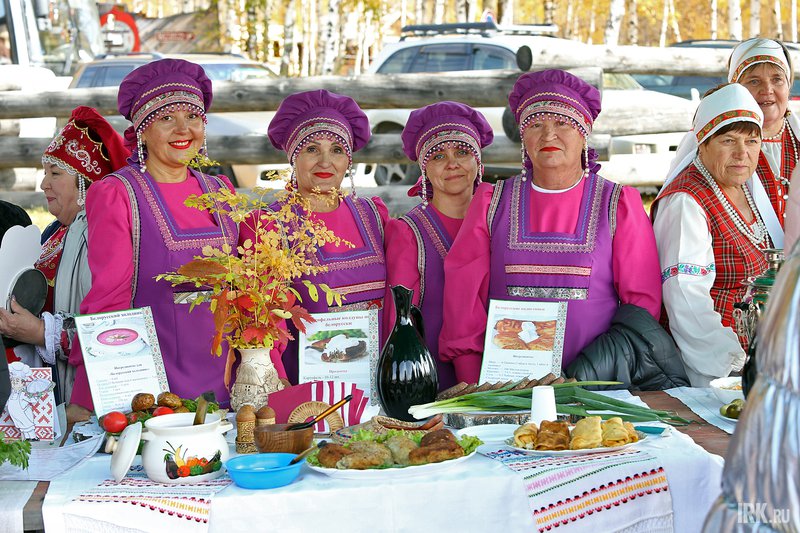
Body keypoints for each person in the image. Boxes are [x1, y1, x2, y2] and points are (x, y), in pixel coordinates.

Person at [439, 69, 662, 384]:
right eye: (535, 124)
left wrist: (600, 371)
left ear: (584, 132)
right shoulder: (491, 203)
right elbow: (464, 301)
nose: (548, 136)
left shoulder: (616, 204)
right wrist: (476, 382)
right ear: (523, 137)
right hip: (505, 388)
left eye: (562, 123)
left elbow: (641, 306)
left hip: (596, 385)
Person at [70, 59, 239, 409]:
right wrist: (98, 396)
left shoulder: (221, 191)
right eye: (166, 118)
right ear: (141, 130)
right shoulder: (118, 194)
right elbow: (109, 301)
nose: (183, 129)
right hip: (156, 389)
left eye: (192, 116)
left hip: (231, 381)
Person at [242, 89, 387, 385]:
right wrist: (279, 387)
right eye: (311, 149)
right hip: (306, 388)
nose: (325, 162)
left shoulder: (375, 216)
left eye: (337, 150)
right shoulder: (267, 225)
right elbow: (264, 321)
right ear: (293, 156)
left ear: (349, 159)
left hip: (378, 381)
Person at [0, 107, 128, 422]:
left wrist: (40, 332)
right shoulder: (55, 232)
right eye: (44, 172)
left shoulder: (98, 237)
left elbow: (113, 323)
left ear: (86, 181)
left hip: (90, 397)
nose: (44, 184)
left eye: (55, 174)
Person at [652, 83, 770, 387]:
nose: (742, 153)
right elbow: (685, 297)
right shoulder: (686, 201)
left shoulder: (747, 188)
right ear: (702, 144)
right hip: (714, 368)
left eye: (751, 141)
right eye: (728, 140)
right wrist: (733, 366)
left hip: (758, 356)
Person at [385, 101, 493, 391]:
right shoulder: (409, 232)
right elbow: (398, 322)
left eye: (462, 152)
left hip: (507, 370)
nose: (452, 164)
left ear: (478, 160)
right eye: (438, 156)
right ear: (424, 168)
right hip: (437, 380)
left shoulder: (499, 219)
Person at [669, 37, 796, 245]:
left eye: (777, 79)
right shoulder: (707, 141)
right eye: (754, 81)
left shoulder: (796, 139)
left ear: (789, 84)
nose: (767, 89)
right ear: (734, 88)